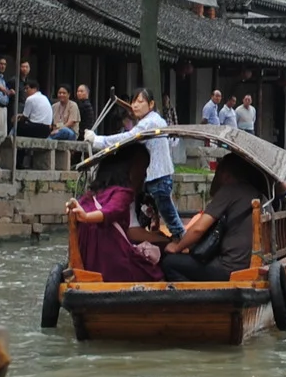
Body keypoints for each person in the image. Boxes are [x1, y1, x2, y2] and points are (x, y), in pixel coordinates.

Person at [91, 89, 184, 236]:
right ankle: (174, 235)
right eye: (133, 102)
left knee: (168, 214)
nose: (135, 105)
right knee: (160, 209)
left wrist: (98, 140)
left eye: (140, 102)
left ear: (151, 104)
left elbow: (128, 138)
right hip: (156, 175)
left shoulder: (150, 122)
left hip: (158, 175)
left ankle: (180, 238)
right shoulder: (154, 120)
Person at [64, 145, 163, 281]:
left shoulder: (92, 193)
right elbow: (112, 210)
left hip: (89, 258)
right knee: (156, 275)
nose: (145, 175)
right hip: (112, 259)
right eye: (143, 168)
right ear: (130, 168)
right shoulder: (123, 193)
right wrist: (86, 217)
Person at [161, 153, 264, 282]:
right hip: (249, 263)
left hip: (230, 267)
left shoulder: (229, 191)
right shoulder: (258, 193)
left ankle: (194, 300)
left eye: (218, 173)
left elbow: (199, 229)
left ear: (225, 175)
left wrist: (177, 247)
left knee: (170, 262)